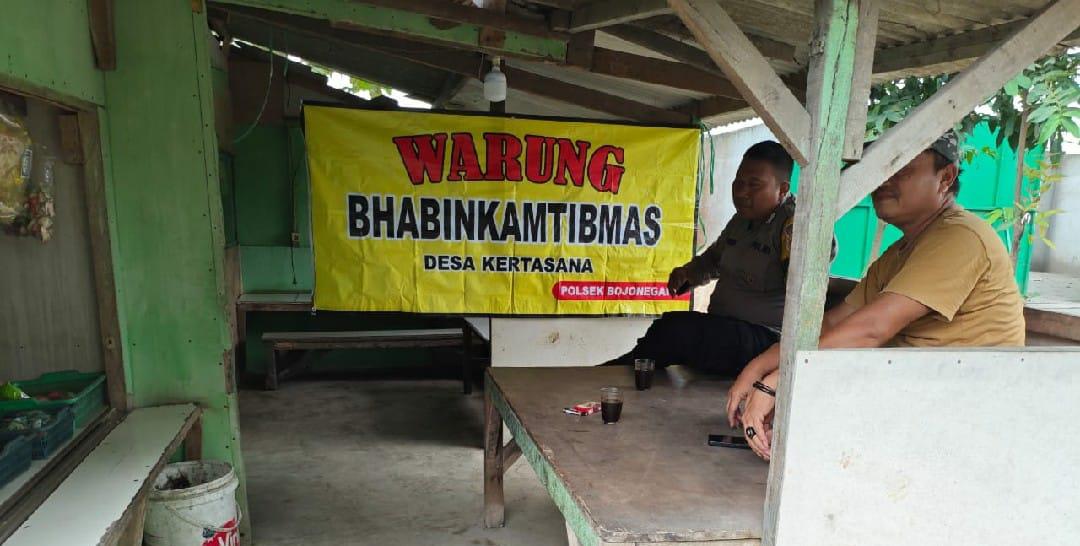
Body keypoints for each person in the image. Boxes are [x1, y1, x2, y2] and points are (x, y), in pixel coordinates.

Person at [728, 131, 1026, 460]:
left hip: (963, 415)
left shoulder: (961, 237)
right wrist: (758, 367)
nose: (883, 179)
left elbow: (872, 329)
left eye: (899, 167)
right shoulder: (900, 253)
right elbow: (833, 324)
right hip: (917, 399)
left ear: (946, 178)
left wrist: (777, 382)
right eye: (879, 169)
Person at [606, 140, 830, 377]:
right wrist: (689, 273)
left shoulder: (796, 225)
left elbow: (811, 282)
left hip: (766, 342)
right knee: (669, 332)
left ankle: (618, 372)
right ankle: (625, 370)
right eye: (738, 182)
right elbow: (714, 259)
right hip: (726, 330)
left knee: (676, 330)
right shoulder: (741, 220)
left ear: (782, 189)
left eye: (754, 185)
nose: (742, 192)